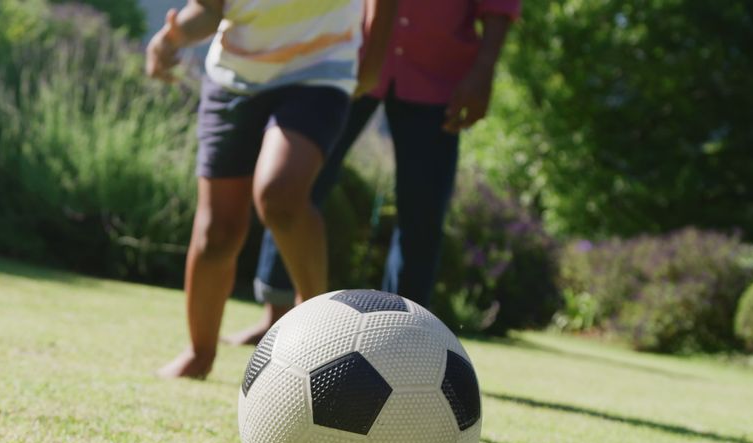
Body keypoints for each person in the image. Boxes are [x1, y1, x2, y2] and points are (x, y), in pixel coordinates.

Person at [226, 0, 521, 346]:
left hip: (438, 77)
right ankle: (277, 317)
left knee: (422, 213)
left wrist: (483, 70)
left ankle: (400, 339)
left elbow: (499, 6)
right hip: (349, 62)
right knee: (297, 185)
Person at [149, 0, 399, 379]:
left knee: (280, 193)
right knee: (218, 231)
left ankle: (319, 327)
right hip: (235, 77)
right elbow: (208, 9)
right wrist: (172, 37)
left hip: (320, 69)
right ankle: (200, 354)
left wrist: (374, 58)